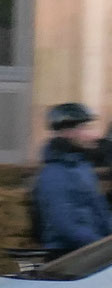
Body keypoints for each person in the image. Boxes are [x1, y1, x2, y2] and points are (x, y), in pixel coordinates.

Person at [33, 102, 112, 257]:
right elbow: (65, 226)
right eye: (85, 128)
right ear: (68, 132)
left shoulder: (82, 167)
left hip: (91, 253)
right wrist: (101, 247)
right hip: (67, 258)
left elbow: (100, 212)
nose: (93, 135)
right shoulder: (54, 174)